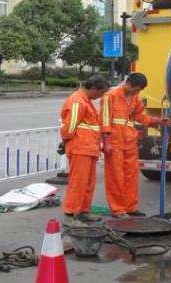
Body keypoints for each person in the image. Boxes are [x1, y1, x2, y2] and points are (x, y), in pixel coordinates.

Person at [101, 73, 168, 218]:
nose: (137, 93)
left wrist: (157, 121)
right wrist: (106, 142)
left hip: (129, 141)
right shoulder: (110, 96)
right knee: (115, 176)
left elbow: (140, 116)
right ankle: (118, 209)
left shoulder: (134, 97)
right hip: (115, 141)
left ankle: (130, 207)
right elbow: (104, 119)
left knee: (131, 175)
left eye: (139, 91)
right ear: (129, 84)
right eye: (136, 90)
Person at [61, 75, 110, 227]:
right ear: (93, 89)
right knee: (78, 183)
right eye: (101, 93)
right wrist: (66, 143)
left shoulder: (84, 101)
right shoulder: (77, 101)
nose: (100, 97)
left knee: (88, 183)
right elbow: (69, 128)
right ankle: (70, 215)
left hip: (88, 148)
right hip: (80, 148)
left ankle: (83, 211)